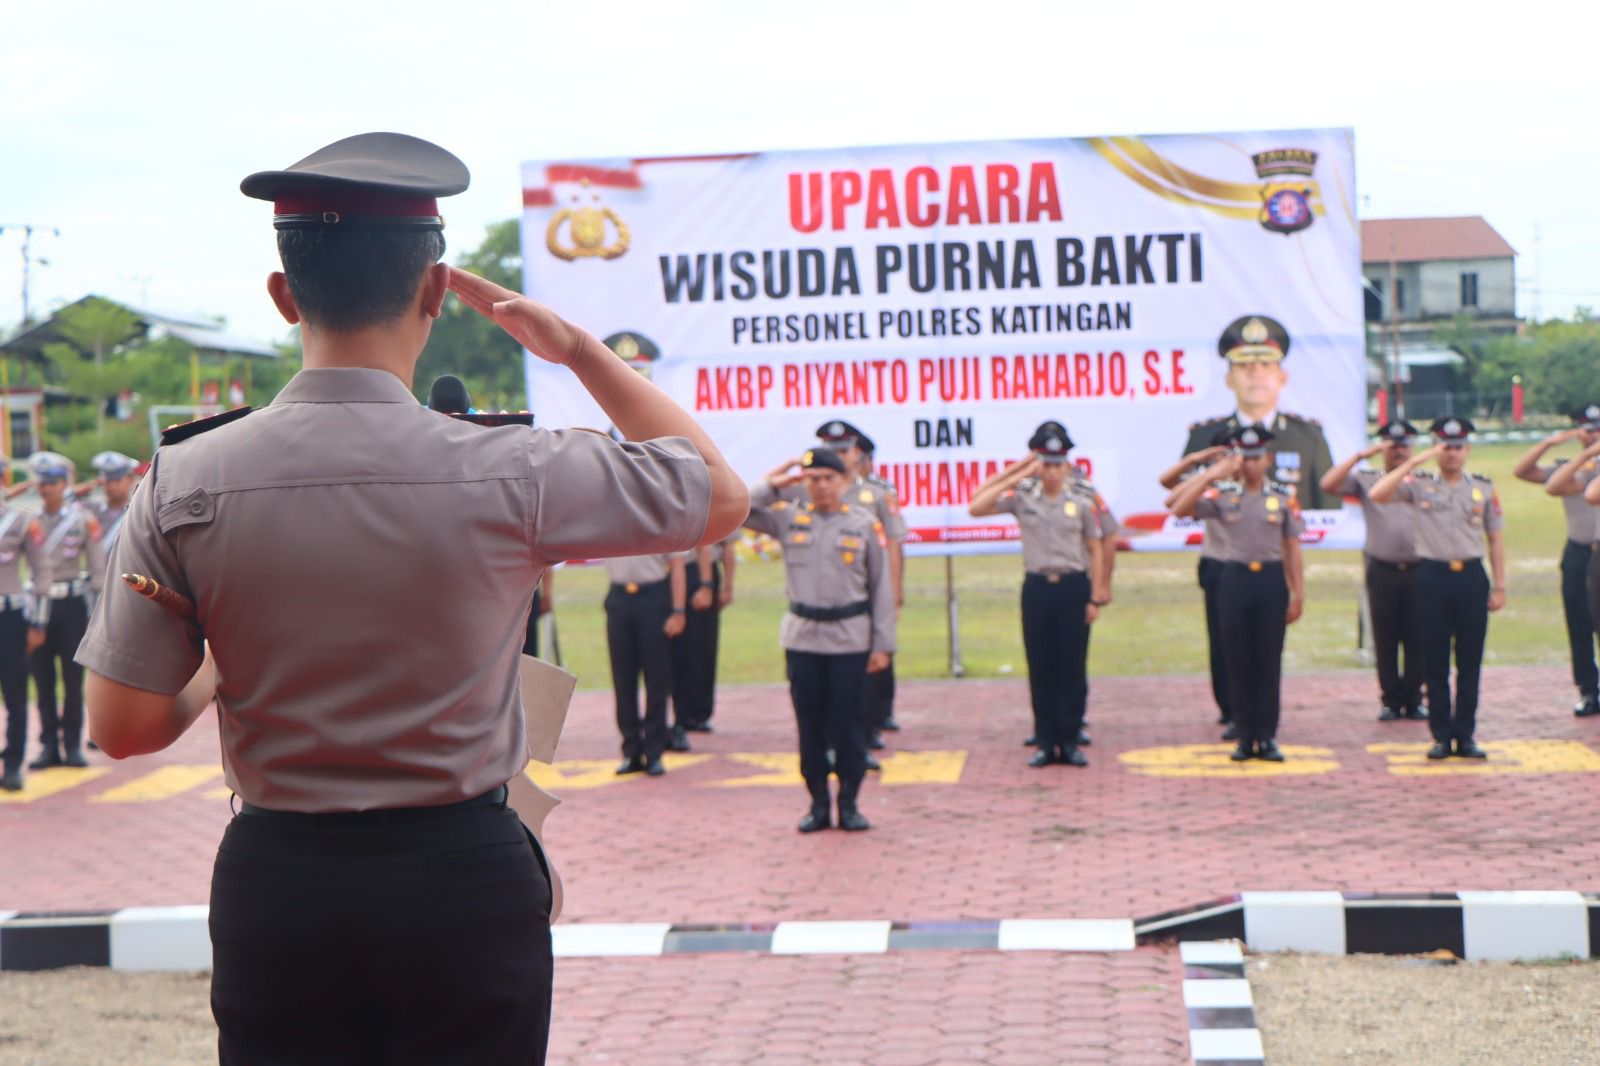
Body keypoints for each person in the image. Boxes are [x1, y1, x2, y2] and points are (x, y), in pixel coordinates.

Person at [76, 132, 746, 1065]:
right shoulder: (514, 468)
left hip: (281, 888)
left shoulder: (185, 477)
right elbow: (719, 495)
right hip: (459, 881)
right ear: (433, 293)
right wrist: (578, 352)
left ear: (284, 296)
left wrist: (215, 670)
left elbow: (125, 726)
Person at [744, 447, 894, 832]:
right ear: (804, 483)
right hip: (804, 640)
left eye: (829, 478)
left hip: (849, 640)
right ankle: (817, 805)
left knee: (849, 725)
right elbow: (736, 514)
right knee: (809, 726)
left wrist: (882, 645)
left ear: (844, 481)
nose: (822, 485)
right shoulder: (789, 518)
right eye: (813, 479)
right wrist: (773, 485)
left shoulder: (862, 524)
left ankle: (850, 803)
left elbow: (881, 588)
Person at [969, 422, 1108, 766]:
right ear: (1038, 465)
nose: (1051, 471)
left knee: (1072, 665)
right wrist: (1017, 475)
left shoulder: (1082, 500)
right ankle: (1046, 740)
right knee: (1041, 665)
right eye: (1045, 464)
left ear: (1068, 466)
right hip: (1037, 588)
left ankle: (1070, 739)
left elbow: (1096, 546)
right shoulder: (1023, 497)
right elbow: (977, 506)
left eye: (1057, 464)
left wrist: (1095, 595)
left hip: (1074, 587)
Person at [1368, 417, 1506, 760]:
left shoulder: (1483, 488)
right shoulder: (1420, 484)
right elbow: (1378, 493)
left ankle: (1466, 734)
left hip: (1471, 576)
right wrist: (1415, 461)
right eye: (1445, 447)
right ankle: (1442, 735)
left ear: (1468, 450)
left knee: (1470, 661)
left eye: (1458, 447)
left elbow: (1496, 538)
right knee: (1435, 660)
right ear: (1436, 448)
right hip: (1431, 577)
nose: (1452, 454)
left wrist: (1500, 585)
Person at [1169, 425, 1305, 761]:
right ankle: (1245, 736)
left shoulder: (1283, 497)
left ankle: (1267, 735)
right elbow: (1178, 508)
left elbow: (1292, 546)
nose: (1250, 464)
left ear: (1267, 459)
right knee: (1238, 658)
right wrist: (1211, 474)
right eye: (1245, 458)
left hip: (1271, 579)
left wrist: (1297, 592)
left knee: (1269, 659)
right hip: (1234, 579)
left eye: (1256, 458)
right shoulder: (1223, 496)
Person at [1321, 420, 1425, 721]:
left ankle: (1415, 697)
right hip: (1383, 569)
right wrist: (1359, 457)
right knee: (1385, 638)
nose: (1399, 451)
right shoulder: (1367, 479)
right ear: (1382, 447)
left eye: (1404, 444)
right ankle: (1391, 700)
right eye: (1392, 445)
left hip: (1420, 568)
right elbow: (1328, 484)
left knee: (1418, 637)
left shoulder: (1424, 479)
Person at [814, 420, 905, 757]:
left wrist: (894, 592)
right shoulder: (815, 491)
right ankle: (835, 736)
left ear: (857, 453)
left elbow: (893, 544)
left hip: (868, 592)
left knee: (870, 665)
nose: (837, 455)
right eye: (831, 449)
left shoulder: (876, 493)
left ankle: (867, 732)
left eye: (843, 449)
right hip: (830, 594)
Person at [1181, 314, 1334, 509]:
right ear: (1228, 379)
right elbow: (1182, 507)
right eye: (1244, 365)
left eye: (1266, 364)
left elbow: (1330, 512)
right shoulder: (1203, 439)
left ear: (1282, 377)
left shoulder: (1309, 438)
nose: (1256, 373)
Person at [1158, 427, 1237, 736]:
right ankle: (1227, 706)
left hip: (1248, 567)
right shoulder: (1208, 482)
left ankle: (1245, 705)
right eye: (1223, 452)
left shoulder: (1253, 479)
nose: (1230, 458)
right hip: (1217, 565)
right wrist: (1202, 462)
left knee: (1245, 642)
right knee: (1219, 642)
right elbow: (1168, 489)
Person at [27, 451, 103, 770]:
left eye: (54, 483)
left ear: (65, 483)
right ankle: (48, 746)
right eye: (43, 483)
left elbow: (98, 570)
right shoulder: (29, 522)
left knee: (73, 680)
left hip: (73, 604)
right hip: (40, 608)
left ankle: (72, 744)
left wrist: (98, 616)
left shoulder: (83, 520)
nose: (48, 489)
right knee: (43, 680)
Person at [1523, 406, 1600, 717]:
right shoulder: (1572, 468)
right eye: (1586, 429)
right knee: (1579, 623)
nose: (1593, 434)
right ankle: (1588, 689)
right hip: (1580, 550)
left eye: (1597, 428)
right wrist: (1551, 445)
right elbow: (1538, 478)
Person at [606, 552, 686, 772]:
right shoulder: (609, 520)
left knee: (657, 678)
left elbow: (677, 564)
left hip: (654, 596)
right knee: (623, 679)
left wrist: (678, 611)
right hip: (619, 597)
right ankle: (631, 750)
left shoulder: (662, 518)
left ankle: (654, 751)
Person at [0, 494, 49, 791]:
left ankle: (14, 764)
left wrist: (38, 621)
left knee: (16, 696)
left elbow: (41, 570)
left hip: (10, 617)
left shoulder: (20, 521)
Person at [670, 531, 736, 736]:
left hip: (701, 574)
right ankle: (682, 713)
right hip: (674, 571)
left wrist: (717, 587)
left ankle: (699, 713)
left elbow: (724, 546)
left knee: (702, 647)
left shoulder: (712, 502)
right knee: (676, 647)